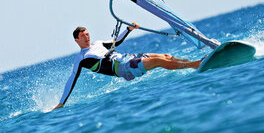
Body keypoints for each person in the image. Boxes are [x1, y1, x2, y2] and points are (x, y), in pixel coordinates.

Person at [53, 23, 201, 110]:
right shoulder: (81, 59)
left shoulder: (97, 44)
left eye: (87, 34)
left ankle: (194, 62)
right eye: (83, 35)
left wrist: (128, 29)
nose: (87, 37)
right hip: (124, 69)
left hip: (128, 58)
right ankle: (195, 65)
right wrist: (61, 103)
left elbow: (116, 42)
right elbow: (72, 79)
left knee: (165, 56)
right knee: (159, 62)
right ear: (76, 39)